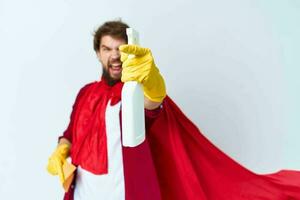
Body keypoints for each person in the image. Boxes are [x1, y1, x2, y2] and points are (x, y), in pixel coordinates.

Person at [47, 20, 300, 200]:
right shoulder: (86, 93)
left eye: (120, 49)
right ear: (97, 53)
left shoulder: (134, 93)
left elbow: (152, 110)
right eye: (107, 49)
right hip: (82, 192)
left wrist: (153, 89)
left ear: (130, 51)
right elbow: (71, 131)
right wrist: (62, 149)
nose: (114, 56)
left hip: (124, 192)